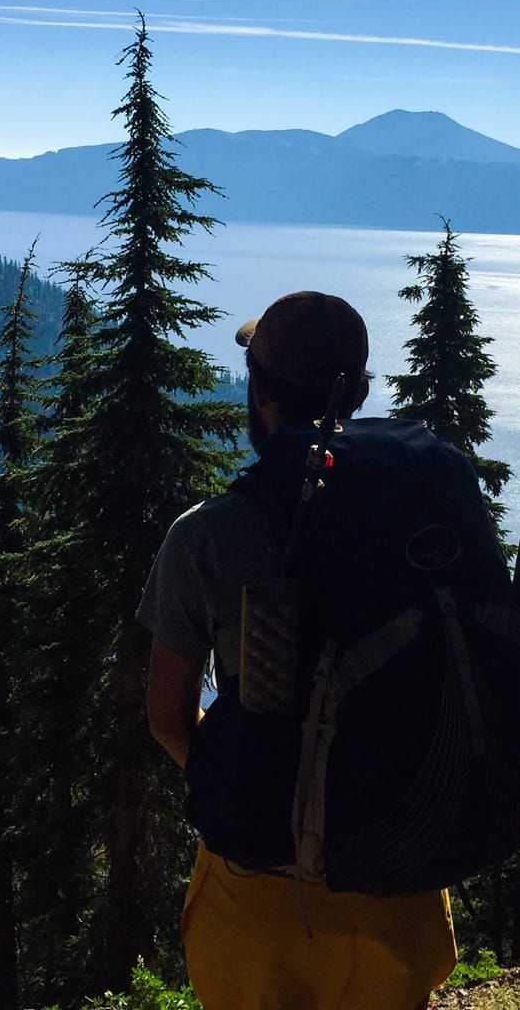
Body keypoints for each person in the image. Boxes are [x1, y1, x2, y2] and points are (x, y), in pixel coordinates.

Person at [137, 291, 462, 1010]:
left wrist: (258, 787)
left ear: (259, 394)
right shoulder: (427, 527)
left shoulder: (207, 537)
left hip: (258, 906)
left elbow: (166, 716)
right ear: (363, 391)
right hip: (398, 889)